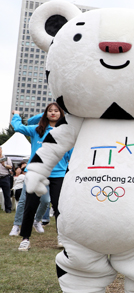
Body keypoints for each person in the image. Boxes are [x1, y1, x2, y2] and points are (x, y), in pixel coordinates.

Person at [12, 104, 72, 250]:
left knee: (59, 207)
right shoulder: (37, 130)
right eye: (50, 111)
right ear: (45, 114)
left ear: (61, 114)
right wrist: (16, 114)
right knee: (30, 206)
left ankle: (62, 237)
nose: (53, 113)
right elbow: (17, 127)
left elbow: (71, 153)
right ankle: (25, 238)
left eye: (56, 111)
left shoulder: (66, 132)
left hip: (58, 174)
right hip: (37, 174)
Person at [0, 146, 13, 214]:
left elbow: (11, 167)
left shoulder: (7, 158)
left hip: (5, 177)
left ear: (1, 150)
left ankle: (8, 209)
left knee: (7, 194)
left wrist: (4, 164)